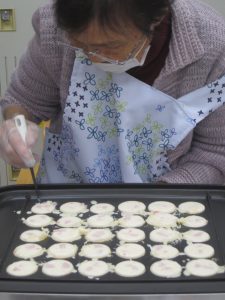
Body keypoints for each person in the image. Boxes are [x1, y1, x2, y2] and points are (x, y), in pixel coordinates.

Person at [1, 0, 225, 184]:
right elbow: (24, 101)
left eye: (111, 46)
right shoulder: (54, 27)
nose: (94, 58)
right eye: (79, 44)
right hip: (68, 192)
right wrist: (16, 127)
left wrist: (159, 198)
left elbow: (215, 154)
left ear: (157, 18)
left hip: (166, 202)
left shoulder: (213, 46)